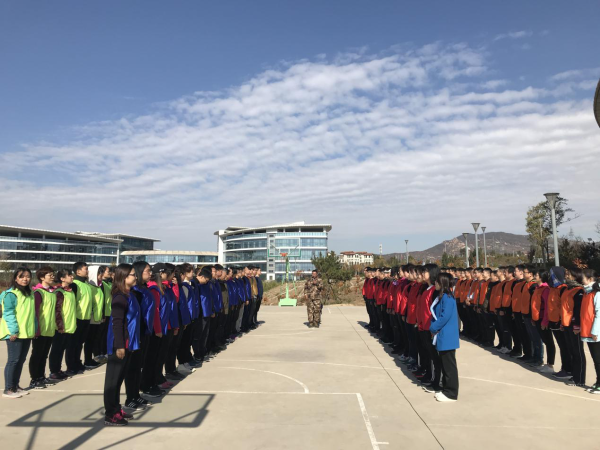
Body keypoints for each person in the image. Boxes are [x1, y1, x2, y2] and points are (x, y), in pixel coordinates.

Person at [103, 263, 140, 426]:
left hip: (128, 343)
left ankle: (116, 408)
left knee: (119, 379)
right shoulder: (120, 297)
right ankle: (110, 414)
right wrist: (119, 346)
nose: (135, 277)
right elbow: (117, 323)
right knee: (112, 381)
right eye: (133, 274)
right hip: (119, 344)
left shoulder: (129, 294)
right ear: (124, 277)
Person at [1, 267, 36, 398]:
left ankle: (15, 386)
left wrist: (34, 329)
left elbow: (32, 314)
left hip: (26, 332)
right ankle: (8, 389)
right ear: (16, 278)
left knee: (21, 360)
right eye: (22, 276)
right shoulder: (11, 294)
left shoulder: (30, 293)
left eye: (28, 276)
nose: (25, 279)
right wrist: (13, 331)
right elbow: (8, 313)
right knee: (13, 360)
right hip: (15, 333)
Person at [125, 261, 155, 410]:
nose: (150, 273)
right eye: (147, 271)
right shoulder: (134, 292)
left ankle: (136, 395)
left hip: (145, 332)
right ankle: (130, 398)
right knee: (132, 367)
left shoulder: (144, 289)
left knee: (138, 367)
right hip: (136, 334)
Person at [429, 272, 460, 402]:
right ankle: (446, 389)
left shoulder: (448, 298)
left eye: (437, 281)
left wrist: (433, 328)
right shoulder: (442, 297)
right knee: (445, 364)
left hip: (447, 336)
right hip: (442, 335)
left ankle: (451, 393)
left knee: (449, 366)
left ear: (442, 283)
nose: (435, 283)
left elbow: (444, 317)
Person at [29, 266, 58, 389]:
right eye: (49, 275)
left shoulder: (52, 292)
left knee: (44, 355)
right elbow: (35, 312)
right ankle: (34, 379)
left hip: (50, 329)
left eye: (53, 275)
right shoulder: (38, 292)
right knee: (37, 355)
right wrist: (36, 329)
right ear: (42, 277)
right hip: (40, 330)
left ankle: (41, 376)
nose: (52, 277)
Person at [48, 269, 77, 381]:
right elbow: (57, 310)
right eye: (69, 275)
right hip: (60, 327)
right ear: (62, 278)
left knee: (61, 349)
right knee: (56, 349)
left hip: (69, 326)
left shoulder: (70, 291)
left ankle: (58, 370)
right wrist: (60, 326)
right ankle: (53, 371)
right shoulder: (59, 292)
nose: (72, 277)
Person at [580, 269, 599, 394]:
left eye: (583, 277)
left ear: (590, 279)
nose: (581, 279)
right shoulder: (587, 292)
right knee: (595, 359)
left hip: (595, 333)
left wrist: (595, 331)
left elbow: (599, 314)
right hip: (588, 330)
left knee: (598, 359)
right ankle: (598, 382)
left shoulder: (597, 293)